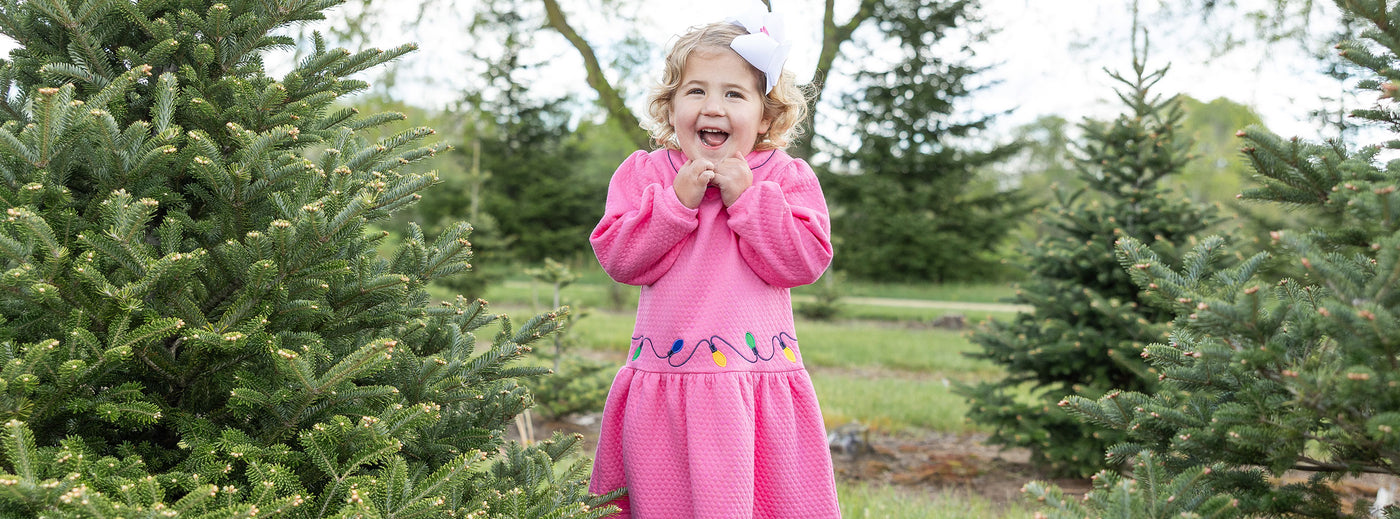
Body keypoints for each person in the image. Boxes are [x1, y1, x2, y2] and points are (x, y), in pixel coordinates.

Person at [587, 5, 840, 518]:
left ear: (766, 115)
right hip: (667, 381)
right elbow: (619, 258)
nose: (713, 106)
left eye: (734, 94)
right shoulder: (647, 173)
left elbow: (802, 262)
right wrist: (674, 204)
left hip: (753, 381)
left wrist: (749, 201)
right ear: (671, 104)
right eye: (696, 90)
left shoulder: (785, 178)